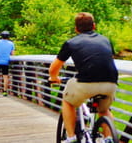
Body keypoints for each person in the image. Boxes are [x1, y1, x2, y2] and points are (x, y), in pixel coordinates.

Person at [49, 12, 118, 143]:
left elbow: (54, 68)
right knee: (104, 110)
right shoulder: (106, 40)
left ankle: (71, 137)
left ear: (76, 29)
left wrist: (54, 78)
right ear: (94, 26)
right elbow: (107, 60)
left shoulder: (71, 43)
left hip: (86, 83)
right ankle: (108, 138)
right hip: (110, 82)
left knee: (68, 102)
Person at [0, 30, 15, 97]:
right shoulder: (11, 43)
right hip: (6, 61)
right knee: (5, 76)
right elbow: (12, 53)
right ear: (8, 36)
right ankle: (5, 91)